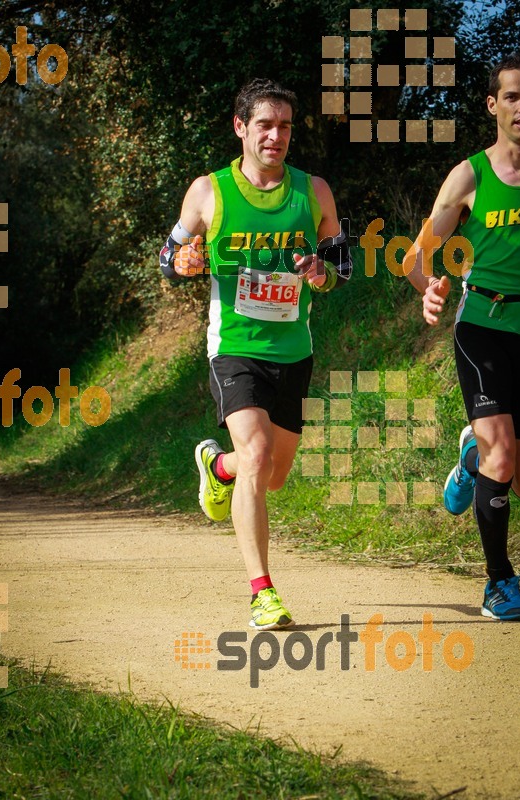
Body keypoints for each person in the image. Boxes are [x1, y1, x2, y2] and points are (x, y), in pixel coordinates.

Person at [159, 79, 351, 629]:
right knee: (259, 452)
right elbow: (168, 259)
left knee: (270, 475)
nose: (276, 135)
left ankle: (217, 467)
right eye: (264, 125)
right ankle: (262, 591)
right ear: (241, 128)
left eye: (285, 125)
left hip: (293, 351)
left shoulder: (313, 191)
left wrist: (322, 273)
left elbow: (341, 267)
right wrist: (184, 266)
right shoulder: (208, 192)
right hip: (235, 348)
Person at [406, 54, 520, 621]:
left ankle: (471, 455)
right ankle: (498, 582)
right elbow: (416, 257)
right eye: (514, 97)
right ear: (494, 105)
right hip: (484, 326)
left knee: (513, 473)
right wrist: (430, 287)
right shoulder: (470, 176)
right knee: (503, 454)